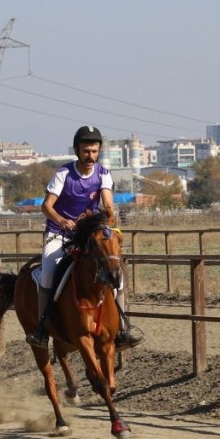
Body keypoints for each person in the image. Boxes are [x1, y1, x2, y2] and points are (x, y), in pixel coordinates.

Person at [27, 125, 142, 348]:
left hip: (85, 234)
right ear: (78, 150)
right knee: (49, 275)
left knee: (115, 276)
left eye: (94, 151)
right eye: (86, 151)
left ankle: (122, 328)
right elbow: (46, 206)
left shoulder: (103, 174)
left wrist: (110, 213)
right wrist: (62, 221)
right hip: (58, 233)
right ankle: (42, 329)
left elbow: (107, 200)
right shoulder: (64, 173)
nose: (90, 156)